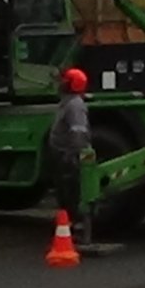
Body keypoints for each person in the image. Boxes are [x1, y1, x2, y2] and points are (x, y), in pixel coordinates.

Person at [51, 67, 93, 242]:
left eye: (65, 81)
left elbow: (78, 132)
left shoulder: (74, 105)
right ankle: (70, 227)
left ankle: (77, 227)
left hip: (69, 155)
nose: (61, 83)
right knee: (65, 193)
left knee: (72, 193)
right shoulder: (67, 103)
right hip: (63, 154)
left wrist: (73, 155)